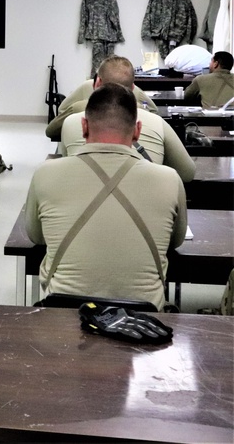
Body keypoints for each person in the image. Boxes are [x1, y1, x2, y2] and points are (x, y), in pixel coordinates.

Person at [25, 84, 186, 311]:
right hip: (141, 319)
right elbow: (176, 241)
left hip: (63, 313)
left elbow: (36, 236)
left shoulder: (45, 173)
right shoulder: (169, 179)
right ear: (137, 130)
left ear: (83, 126)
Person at [58, 56, 195, 182]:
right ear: (136, 130)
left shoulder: (70, 122)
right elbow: (187, 173)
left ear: (84, 126)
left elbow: (65, 160)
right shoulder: (157, 122)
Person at [47, 73, 157, 141]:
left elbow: (51, 130)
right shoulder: (139, 109)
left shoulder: (78, 108)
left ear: (98, 83)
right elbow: (154, 112)